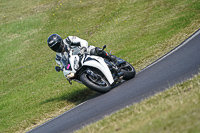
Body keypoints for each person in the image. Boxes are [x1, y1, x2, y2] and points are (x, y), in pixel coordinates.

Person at [47, 34, 117, 79]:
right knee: (73, 76)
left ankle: (112, 59)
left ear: (60, 41)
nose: (57, 48)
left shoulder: (69, 40)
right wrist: (63, 70)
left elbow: (82, 41)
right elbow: (63, 66)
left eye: (57, 45)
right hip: (77, 65)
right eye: (54, 48)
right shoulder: (58, 57)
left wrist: (83, 48)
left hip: (84, 52)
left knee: (97, 51)